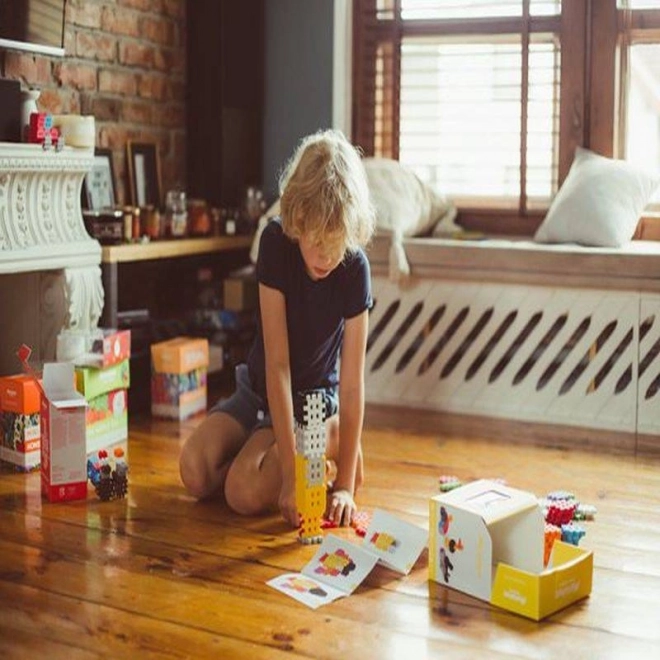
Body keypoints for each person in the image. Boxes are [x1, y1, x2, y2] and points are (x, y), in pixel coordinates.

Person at [179, 129, 376, 528]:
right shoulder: (274, 243)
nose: (325, 256)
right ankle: (288, 454)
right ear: (297, 221)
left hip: (314, 402)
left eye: (336, 244)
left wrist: (344, 489)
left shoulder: (355, 269)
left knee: (241, 493)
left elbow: (352, 385)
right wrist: (289, 473)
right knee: (194, 471)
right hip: (261, 389)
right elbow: (278, 366)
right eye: (316, 241)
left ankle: (331, 438)